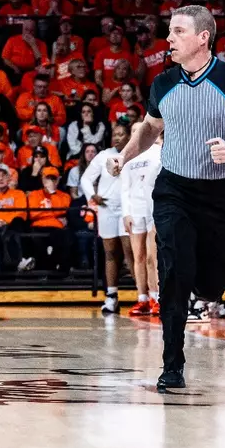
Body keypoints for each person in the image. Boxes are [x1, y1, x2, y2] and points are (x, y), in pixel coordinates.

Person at [109, 5, 225, 392]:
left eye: (178, 32)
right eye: (169, 31)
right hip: (173, 190)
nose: (168, 39)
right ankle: (172, 364)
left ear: (203, 37)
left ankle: (209, 290)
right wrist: (125, 154)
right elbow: (150, 128)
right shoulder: (163, 83)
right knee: (174, 270)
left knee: (209, 282)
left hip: (216, 193)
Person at [80, 119, 131, 314]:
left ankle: (146, 295)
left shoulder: (134, 153)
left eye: (121, 134)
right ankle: (111, 296)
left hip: (128, 209)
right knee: (110, 253)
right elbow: (86, 179)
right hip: (107, 208)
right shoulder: (103, 155)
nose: (117, 137)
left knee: (130, 253)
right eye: (115, 134)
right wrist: (92, 195)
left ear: (129, 136)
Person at [119, 122, 161, 317]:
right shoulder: (128, 157)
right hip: (135, 209)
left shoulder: (158, 151)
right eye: (133, 131)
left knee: (153, 257)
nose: (136, 133)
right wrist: (126, 212)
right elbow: (124, 187)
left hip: (153, 208)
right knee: (139, 257)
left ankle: (157, 297)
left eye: (139, 130)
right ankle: (142, 298)